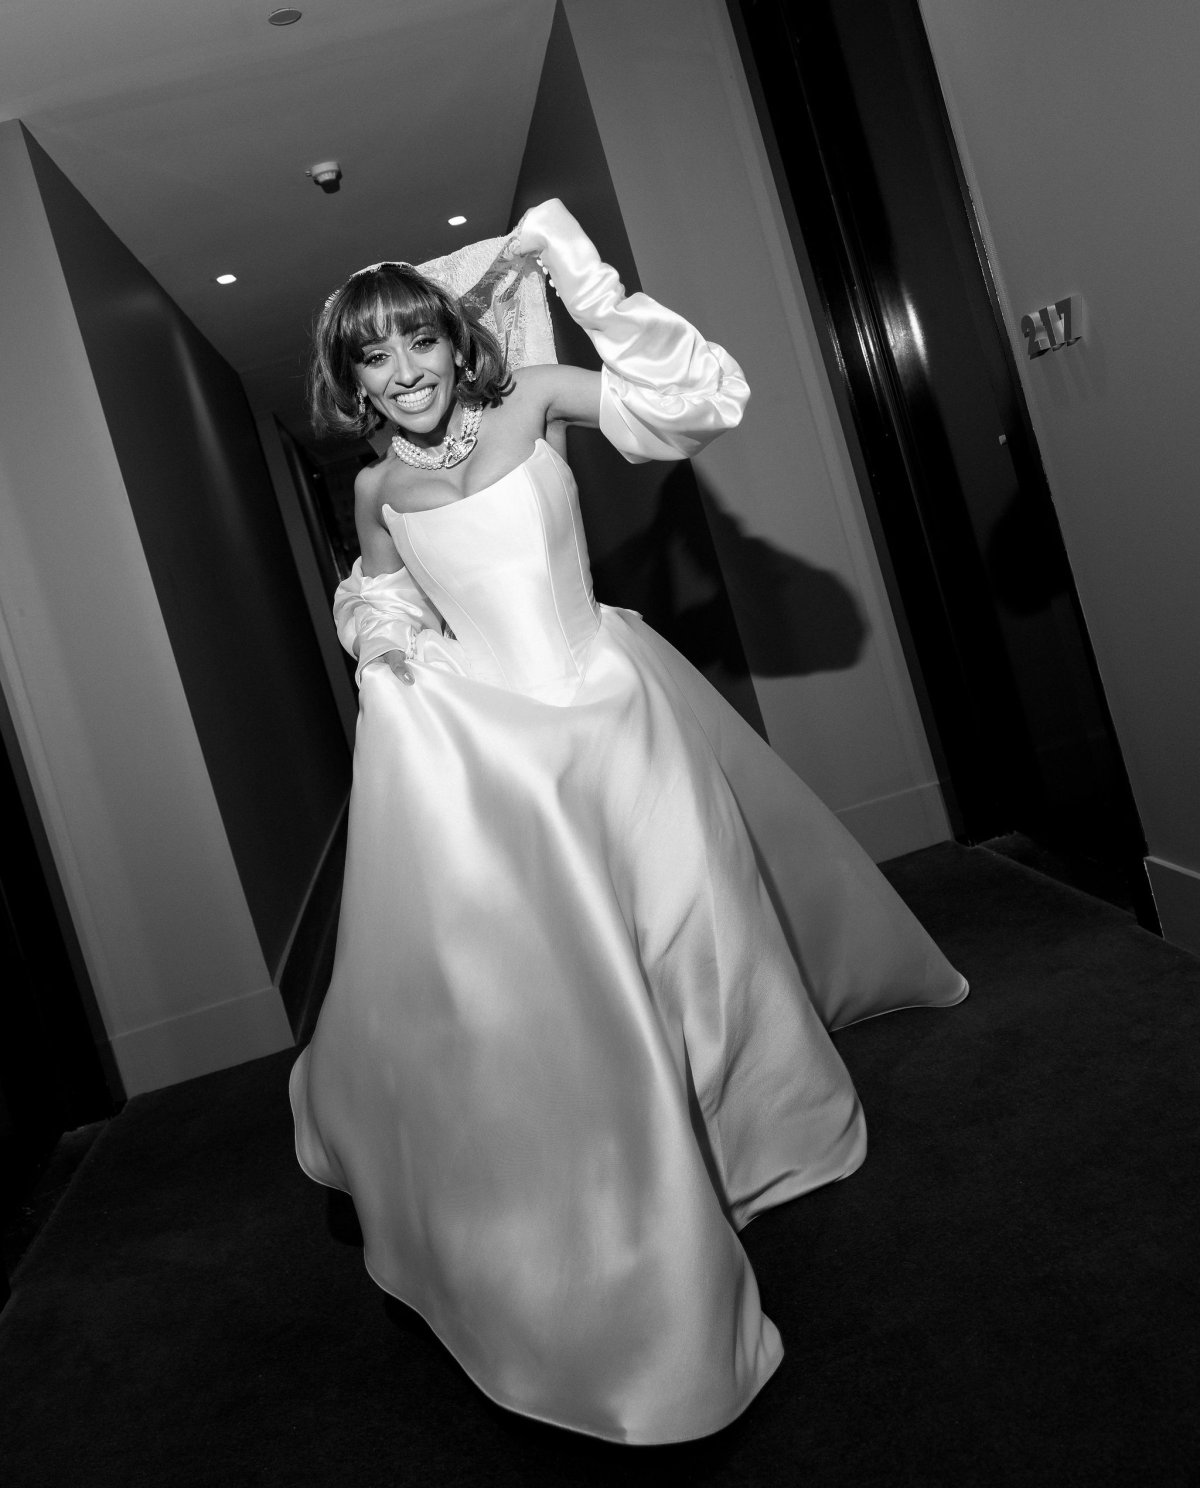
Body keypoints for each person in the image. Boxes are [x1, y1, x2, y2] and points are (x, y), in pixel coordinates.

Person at [290, 199, 967, 1446]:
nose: (407, 371)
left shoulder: (538, 400)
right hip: (509, 767)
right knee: (575, 985)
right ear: (352, 381)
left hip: (614, 713)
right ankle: (633, 1194)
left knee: (693, 933)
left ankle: (747, 1142)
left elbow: (696, 403)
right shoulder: (379, 488)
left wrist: (574, 266)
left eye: (421, 340)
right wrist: (383, 646)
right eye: (375, 356)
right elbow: (377, 602)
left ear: (455, 340)